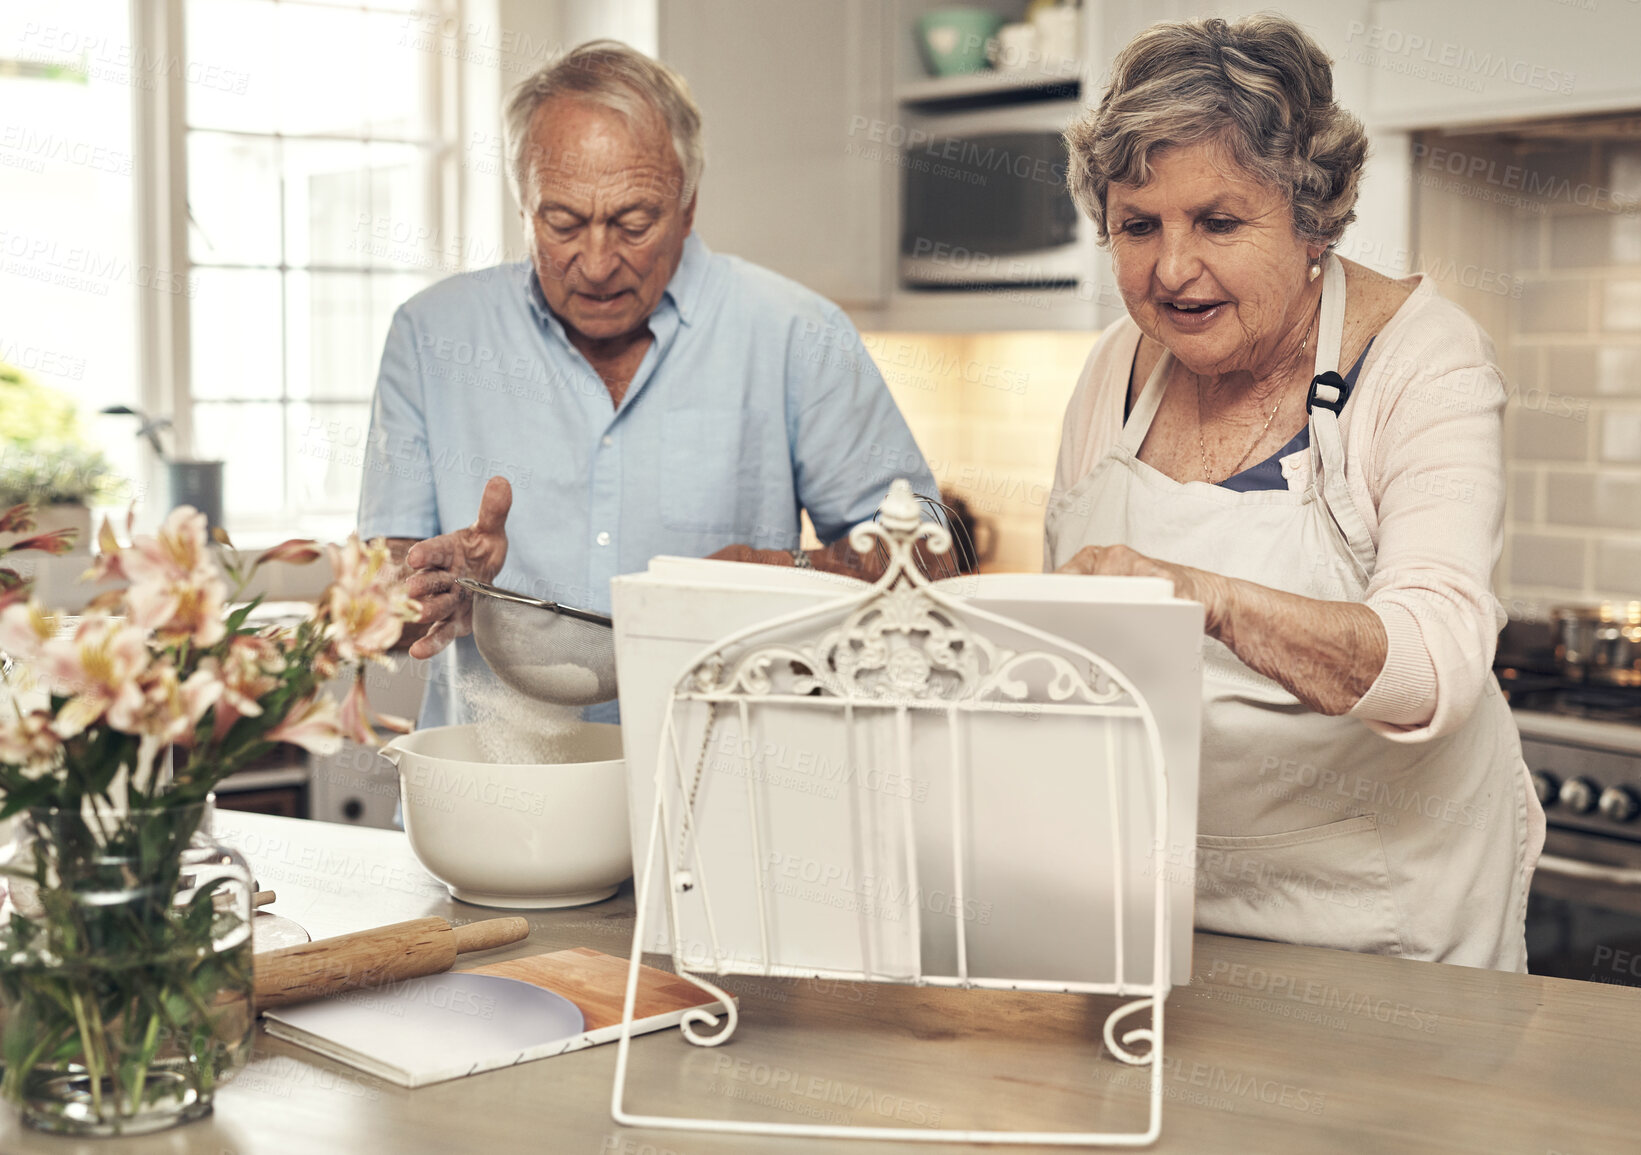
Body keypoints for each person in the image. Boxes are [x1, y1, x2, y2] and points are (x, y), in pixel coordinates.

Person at [1044, 15, 1543, 970]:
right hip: (1158, 912)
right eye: (1137, 226)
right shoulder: (1116, 370)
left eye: (1219, 222)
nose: (1171, 269)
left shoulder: (1423, 362)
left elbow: (1433, 665)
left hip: (1383, 922)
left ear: (1312, 216)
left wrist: (1207, 598)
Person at [358, 41, 939, 728]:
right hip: (497, 807)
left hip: (723, 797)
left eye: (633, 223)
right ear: (522, 205)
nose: (598, 263)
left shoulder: (794, 333)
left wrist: (786, 572)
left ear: (688, 207)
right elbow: (372, 602)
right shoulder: (431, 336)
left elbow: (929, 557)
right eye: (563, 223)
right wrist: (428, 587)